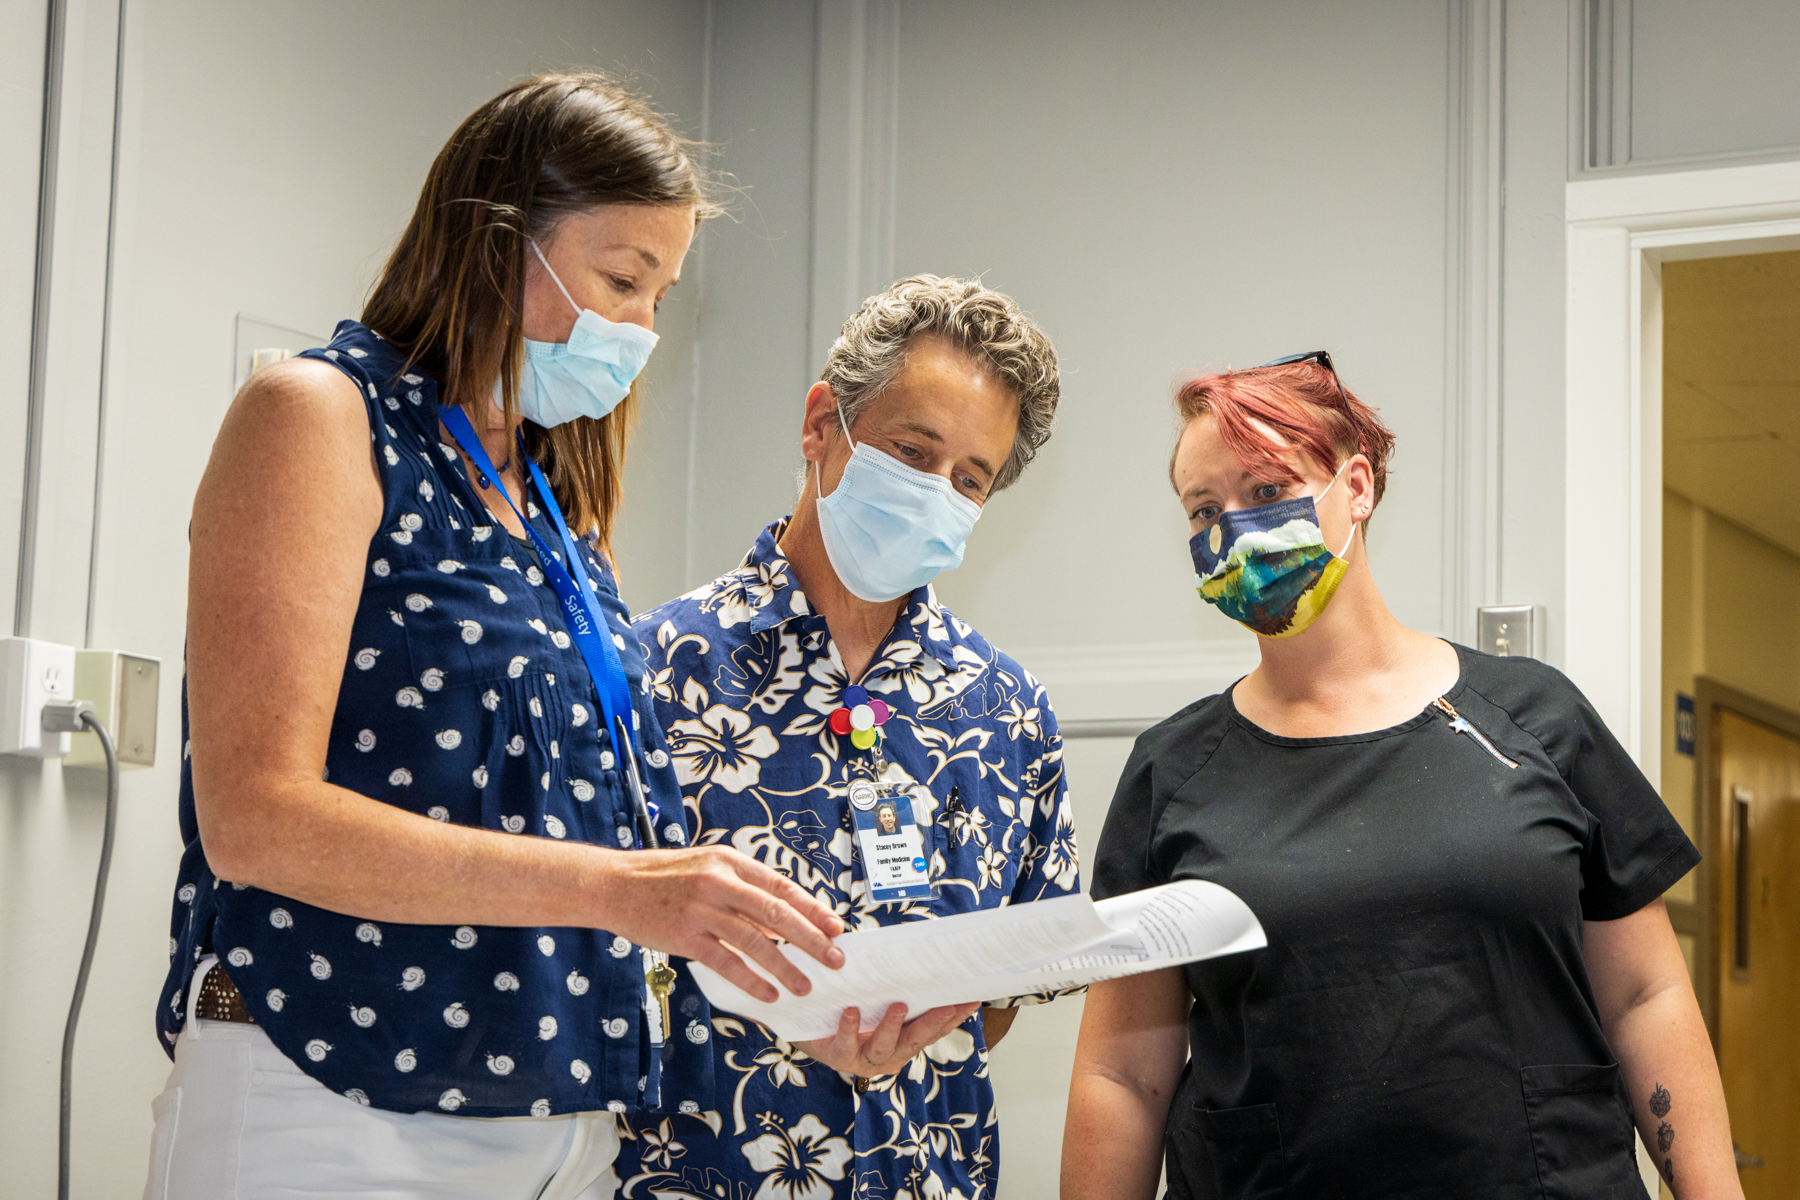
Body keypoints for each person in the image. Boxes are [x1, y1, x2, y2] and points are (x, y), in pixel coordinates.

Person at [146, 74, 844, 1200]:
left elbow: (598, 843)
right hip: (335, 1100)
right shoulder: (320, 419)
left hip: (552, 1120)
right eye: (622, 281)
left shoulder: (553, 510)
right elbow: (257, 822)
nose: (642, 331)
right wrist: (624, 889)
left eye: (661, 296)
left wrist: (806, 992)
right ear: (493, 241)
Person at [1062, 354, 1743, 1200]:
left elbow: (1646, 995)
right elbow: (1124, 1074)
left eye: (1267, 491)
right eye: (1206, 509)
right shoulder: (1174, 771)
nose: (1232, 528)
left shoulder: (1536, 718)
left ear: (1356, 488)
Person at [614, 277, 1078, 1199]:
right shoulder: (651, 670)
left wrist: (915, 1021)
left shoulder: (1007, 712)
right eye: (913, 452)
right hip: (696, 1170)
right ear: (822, 424)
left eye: (970, 479)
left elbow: (1003, 994)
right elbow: (589, 940)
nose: (938, 494)